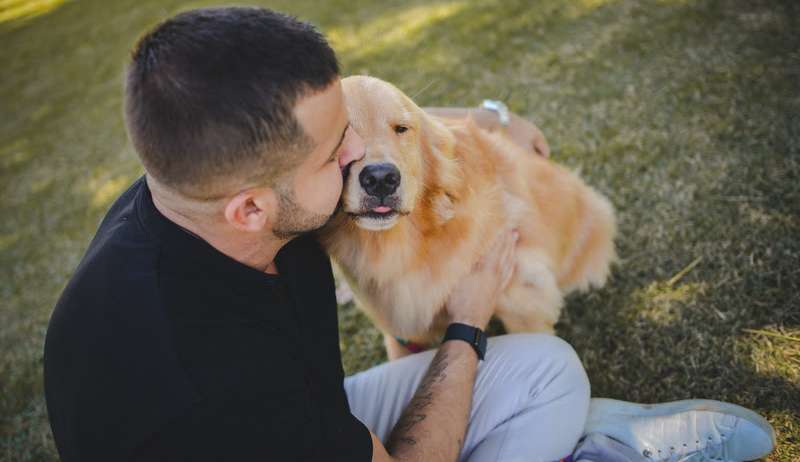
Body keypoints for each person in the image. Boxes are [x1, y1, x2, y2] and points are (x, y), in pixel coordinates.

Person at [43, 7, 775, 462]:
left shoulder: (198, 186)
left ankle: (573, 429)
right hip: (265, 434)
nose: (368, 163)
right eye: (341, 152)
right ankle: (585, 447)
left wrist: (488, 117)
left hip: (313, 416)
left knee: (549, 367)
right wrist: (464, 325)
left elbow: (385, 124)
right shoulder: (214, 393)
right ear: (252, 209)